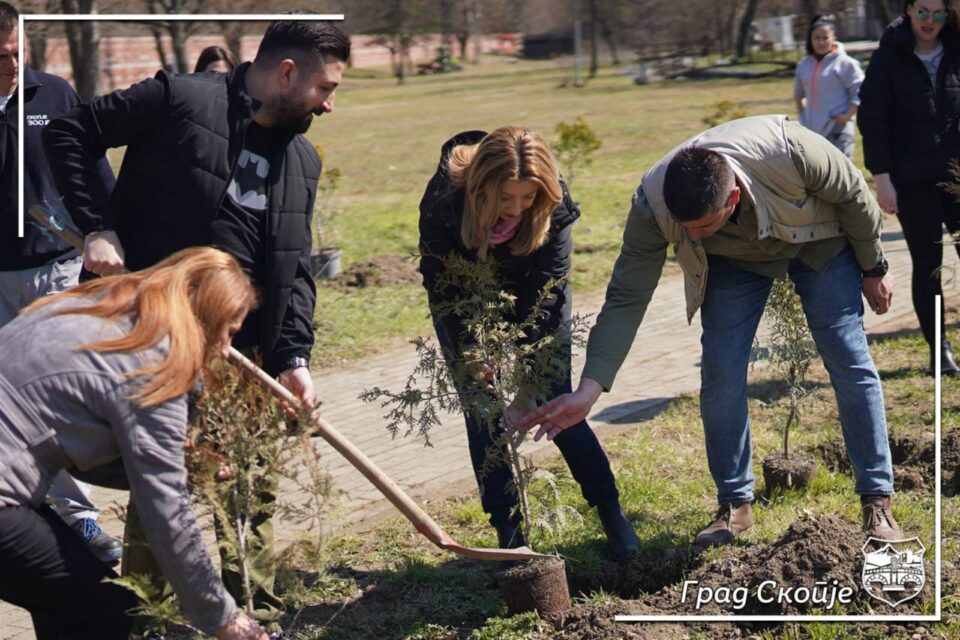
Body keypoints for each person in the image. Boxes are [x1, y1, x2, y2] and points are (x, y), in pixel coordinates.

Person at [43, 18, 350, 621]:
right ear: (286, 73)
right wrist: (97, 227)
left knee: (253, 479)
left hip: (249, 351)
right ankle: (150, 613)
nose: (330, 104)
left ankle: (252, 603)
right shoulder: (179, 101)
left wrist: (294, 358)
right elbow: (69, 133)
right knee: (165, 478)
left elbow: (295, 271)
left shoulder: (303, 161)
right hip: (160, 338)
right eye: (325, 88)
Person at [518, 115, 902, 547]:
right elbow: (627, 296)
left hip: (820, 242)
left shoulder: (792, 151)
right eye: (686, 228)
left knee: (848, 358)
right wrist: (590, 389)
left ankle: (877, 499)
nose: (690, 234)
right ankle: (734, 504)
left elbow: (854, 194)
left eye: (702, 225)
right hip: (733, 263)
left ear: (733, 196)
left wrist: (874, 267)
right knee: (719, 371)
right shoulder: (653, 205)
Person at [0, 247, 267, 640]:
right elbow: (167, 512)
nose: (226, 351)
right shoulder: (154, 362)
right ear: (205, 316)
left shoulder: (92, 308)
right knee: (105, 609)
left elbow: (73, 442)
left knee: (68, 599)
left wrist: (185, 463)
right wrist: (223, 618)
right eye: (228, 332)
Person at [418, 127, 640, 558]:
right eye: (505, 198)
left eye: (526, 198)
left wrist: (531, 384)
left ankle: (609, 509)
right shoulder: (446, 200)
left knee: (556, 400)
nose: (517, 208)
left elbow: (550, 292)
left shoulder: (552, 203)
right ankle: (510, 532)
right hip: (468, 297)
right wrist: (470, 350)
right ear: (482, 187)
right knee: (482, 409)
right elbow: (441, 285)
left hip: (534, 292)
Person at [0, 1, 122, 565]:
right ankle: (30, 516)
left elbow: (90, 169)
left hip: (56, 268)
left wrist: (104, 229)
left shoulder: (53, 95)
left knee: (54, 400)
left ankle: (82, 522)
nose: (10, 66)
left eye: (15, 53)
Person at [858, 0, 960, 376]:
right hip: (913, 182)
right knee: (929, 267)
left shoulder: (956, 48)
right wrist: (882, 178)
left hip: (958, 179)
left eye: (938, 13)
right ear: (908, 10)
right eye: (923, 12)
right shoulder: (888, 57)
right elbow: (873, 119)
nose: (930, 21)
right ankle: (940, 351)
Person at [793, 14, 864, 158]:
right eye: (816, 38)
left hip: (838, 130)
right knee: (819, 176)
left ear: (834, 38)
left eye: (825, 37)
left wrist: (847, 115)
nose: (820, 42)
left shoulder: (846, 64)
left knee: (840, 175)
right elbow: (798, 94)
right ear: (810, 39)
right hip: (813, 131)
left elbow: (860, 91)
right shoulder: (804, 64)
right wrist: (803, 115)